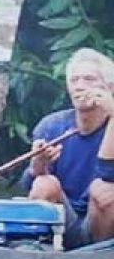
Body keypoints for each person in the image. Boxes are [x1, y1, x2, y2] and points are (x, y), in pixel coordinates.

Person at [21, 48, 114, 248]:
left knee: (103, 189)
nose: (80, 86)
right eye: (74, 80)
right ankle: (34, 250)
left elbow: (107, 173)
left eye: (89, 79)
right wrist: (38, 166)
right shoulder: (52, 125)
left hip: (104, 227)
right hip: (64, 219)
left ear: (110, 87)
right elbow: (29, 187)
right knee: (44, 182)